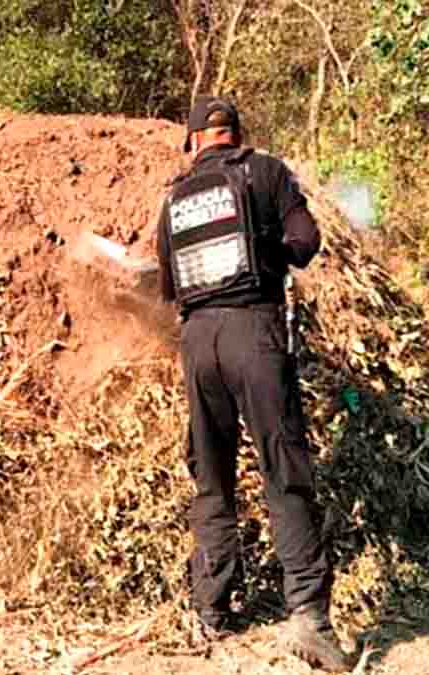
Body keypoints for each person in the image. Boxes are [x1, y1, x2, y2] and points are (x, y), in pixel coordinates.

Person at [155, 96, 354, 672]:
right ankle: (309, 618)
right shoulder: (265, 171)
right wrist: (272, 250)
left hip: (198, 343)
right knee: (283, 468)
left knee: (211, 475)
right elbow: (306, 242)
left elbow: (167, 284)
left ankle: (211, 609)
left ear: (195, 141)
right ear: (236, 134)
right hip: (254, 332)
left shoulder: (175, 197)